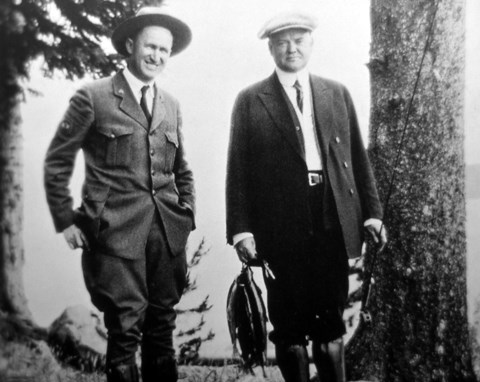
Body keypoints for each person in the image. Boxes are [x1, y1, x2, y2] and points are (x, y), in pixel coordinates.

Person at [226, 11, 387, 382]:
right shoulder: (251, 100)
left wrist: (372, 214)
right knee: (289, 325)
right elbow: (237, 171)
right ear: (271, 48)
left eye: (299, 40)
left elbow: (358, 160)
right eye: (282, 42)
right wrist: (241, 231)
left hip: (332, 219)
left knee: (330, 322)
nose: (291, 48)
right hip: (279, 228)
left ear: (311, 43)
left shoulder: (336, 94)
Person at [44, 7, 195, 382]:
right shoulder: (93, 97)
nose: (157, 57)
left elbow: (182, 168)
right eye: (150, 47)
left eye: (164, 50)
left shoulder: (171, 104)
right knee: (124, 328)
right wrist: (65, 221)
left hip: (166, 234)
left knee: (162, 326)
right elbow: (57, 161)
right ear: (130, 44)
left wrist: (186, 213)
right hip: (115, 233)